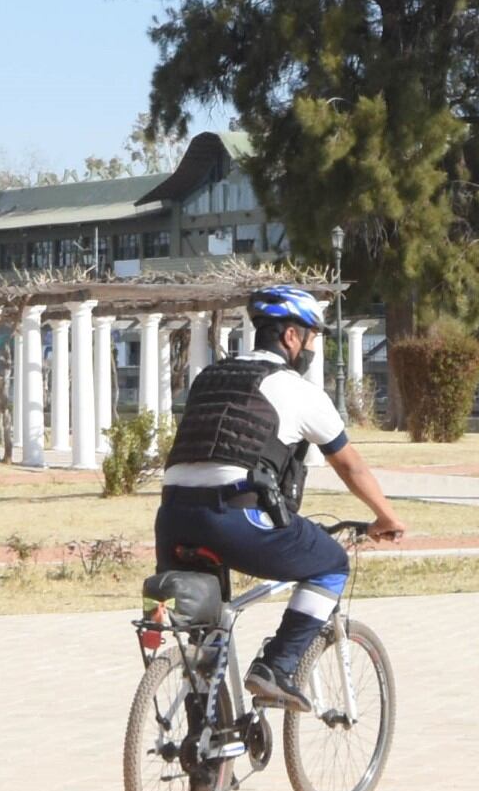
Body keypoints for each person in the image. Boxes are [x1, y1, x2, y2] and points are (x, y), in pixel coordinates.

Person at [154, 283, 411, 707]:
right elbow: (350, 465)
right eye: (311, 337)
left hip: (173, 518)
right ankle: (279, 664)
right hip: (235, 519)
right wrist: (386, 516)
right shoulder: (298, 391)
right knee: (331, 562)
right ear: (291, 336)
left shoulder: (208, 379)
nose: (311, 348)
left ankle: (207, 763)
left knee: (205, 637)